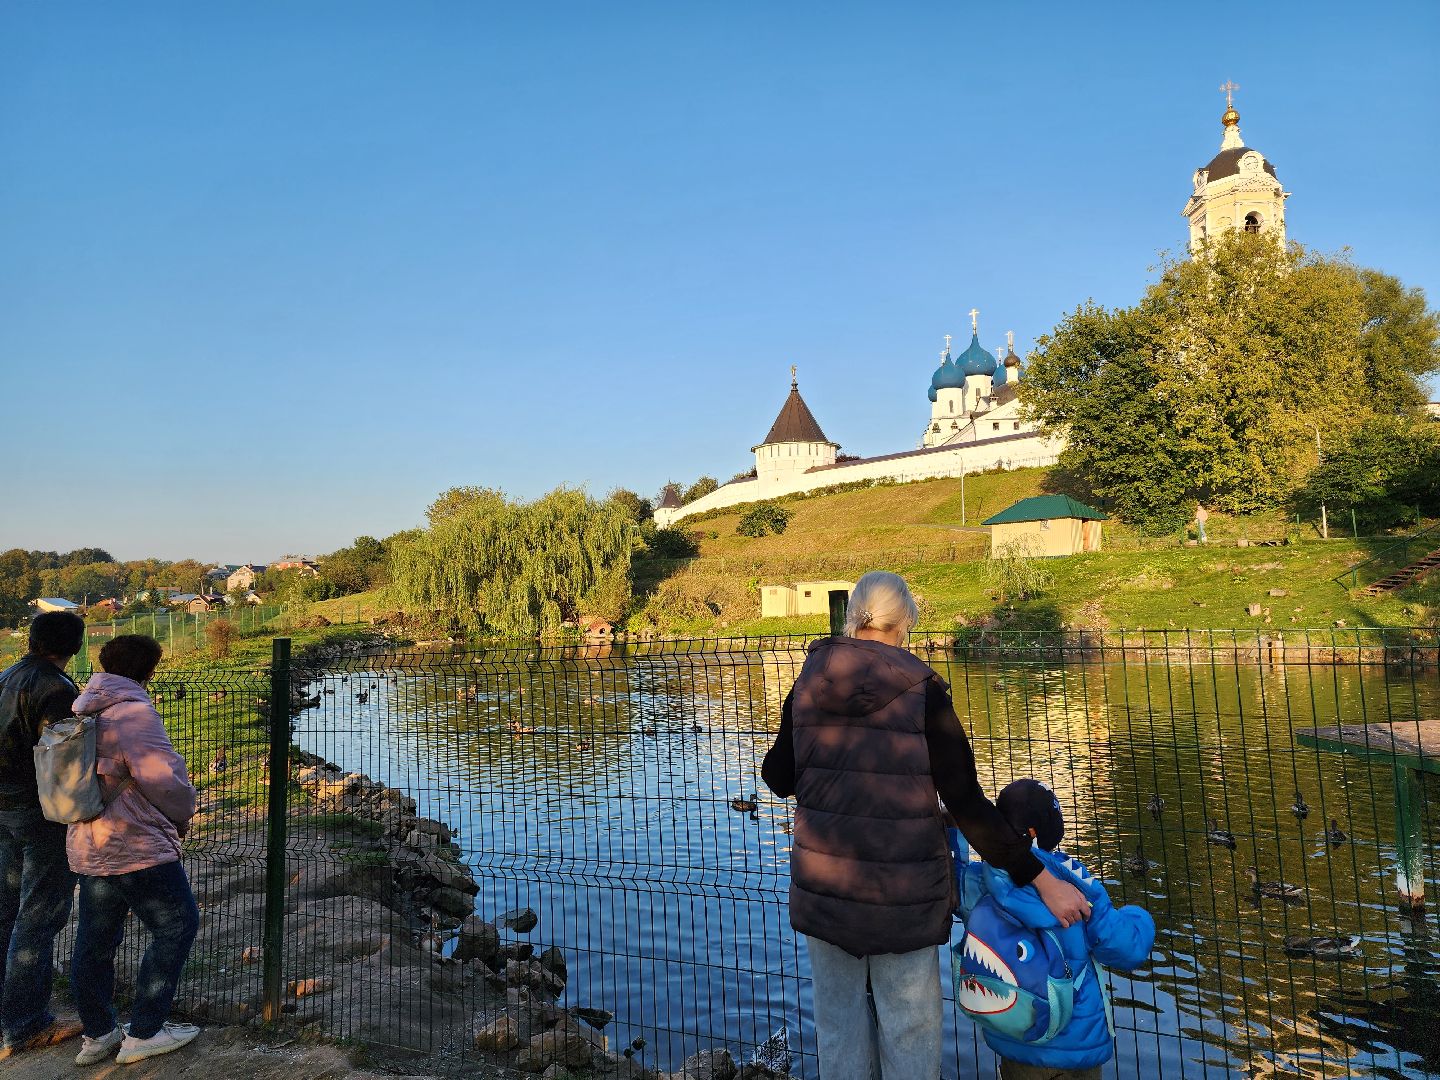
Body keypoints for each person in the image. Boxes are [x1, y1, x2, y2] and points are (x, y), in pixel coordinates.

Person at [760, 572, 1091, 1080]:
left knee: (838, 1028)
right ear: (906, 623)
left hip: (826, 891)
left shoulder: (811, 679)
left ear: (852, 618)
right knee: (908, 1030)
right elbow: (967, 805)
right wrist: (1043, 879)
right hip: (903, 896)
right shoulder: (922, 690)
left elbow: (778, 777)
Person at [952, 779, 1155, 1080]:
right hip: (1073, 1043)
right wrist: (1139, 917)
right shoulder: (1068, 880)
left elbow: (951, 872)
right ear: (1041, 830)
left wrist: (952, 826)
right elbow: (1124, 948)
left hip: (1012, 1036)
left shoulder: (977, 880)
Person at [67, 634, 201, 1066]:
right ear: (148, 670)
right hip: (135, 841)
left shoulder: (84, 708)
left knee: (95, 940)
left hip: (89, 840)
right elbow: (162, 779)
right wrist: (183, 813)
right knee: (177, 923)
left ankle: (98, 1032)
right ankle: (145, 1031)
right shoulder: (134, 714)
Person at [0, 609, 86, 1059]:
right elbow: (62, 758)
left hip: (3, 806)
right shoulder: (55, 688)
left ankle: (9, 1014)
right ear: (74, 646)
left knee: (6, 910)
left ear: (32, 639)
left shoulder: (6, 676)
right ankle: (26, 1022)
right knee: (39, 914)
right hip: (37, 812)